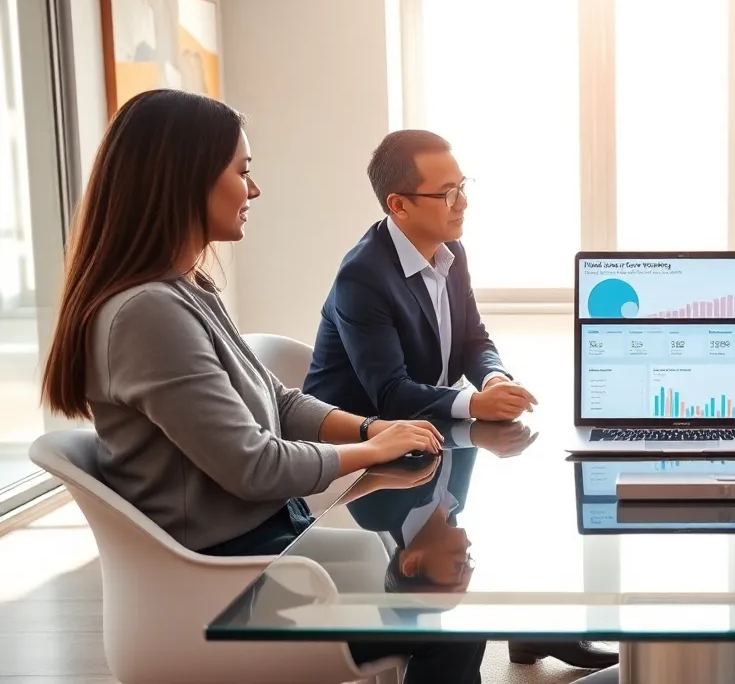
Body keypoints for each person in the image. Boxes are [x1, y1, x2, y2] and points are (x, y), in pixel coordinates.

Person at [39, 89, 484, 684]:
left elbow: (279, 400)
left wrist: (372, 429)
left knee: (432, 587)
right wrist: (369, 452)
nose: (254, 190)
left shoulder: (184, 288)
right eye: (242, 172)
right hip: (226, 587)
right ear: (185, 179)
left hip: (268, 547)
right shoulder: (148, 315)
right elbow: (255, 468)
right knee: (447, 619)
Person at [302, 129, 615, 670]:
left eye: (461, 186)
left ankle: (534, 628)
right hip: (365, 451)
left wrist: (492, 380)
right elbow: (390, 393)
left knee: (538, 503)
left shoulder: (452, 253)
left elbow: (475, 340)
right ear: (398, 205)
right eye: (446, 193)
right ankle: (486, 636)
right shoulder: (362, 276)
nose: (462, 202)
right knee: (474, 587)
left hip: (430, 434)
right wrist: (472, 407)